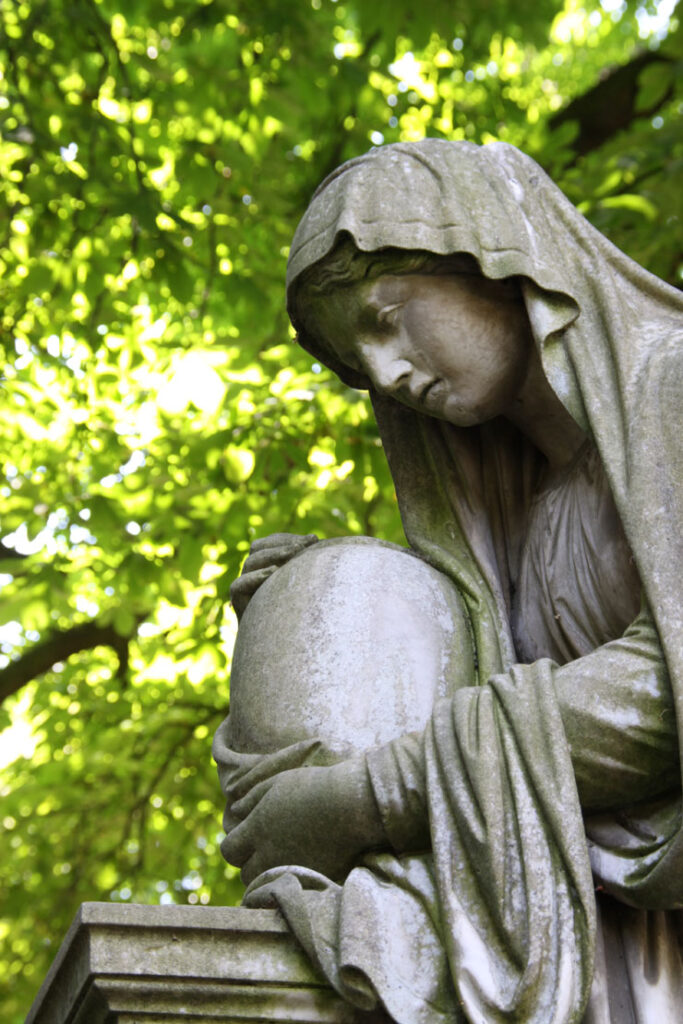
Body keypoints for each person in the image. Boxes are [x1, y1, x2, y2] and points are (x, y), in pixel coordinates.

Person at [213, 140, 683, 1024]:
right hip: (613, 933)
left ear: (496, 259)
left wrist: (368, 796)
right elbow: (512, 711)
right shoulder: (529, 521)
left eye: (387, 316)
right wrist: (345, 611)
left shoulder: (672, 386)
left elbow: (664, 693)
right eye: (359, 362)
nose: (385, 371)